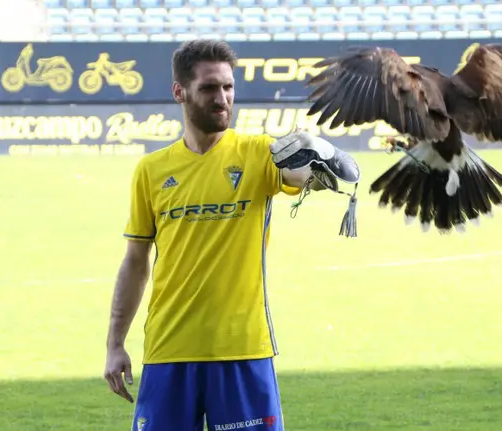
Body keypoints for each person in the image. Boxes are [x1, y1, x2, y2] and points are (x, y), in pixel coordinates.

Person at [102, 39, 341, 431]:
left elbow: (298, 174)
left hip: (243, 349)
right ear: (179, 92)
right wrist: (115, 344)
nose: (223, 98)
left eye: (228, 87)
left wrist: (318, 166)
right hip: (169, 349)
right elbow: (135, 262)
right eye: (209, 88)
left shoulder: (260, 153)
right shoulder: (151, 170)